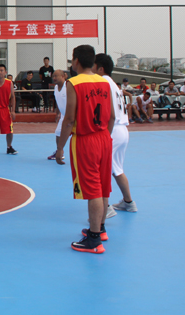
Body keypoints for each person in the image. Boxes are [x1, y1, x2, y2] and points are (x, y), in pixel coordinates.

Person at [55, 45, 114, 254]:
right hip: (104, 137)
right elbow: (112, 116)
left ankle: (94, 240)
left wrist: (60, 147)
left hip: (86, 140)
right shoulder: (104, 81)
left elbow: (69, 119)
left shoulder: (74, 83)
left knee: (92, 189)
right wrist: (105, 137)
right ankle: (101, 229)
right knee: (103, 186)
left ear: (76, 61)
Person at [94, 54, 137, 219]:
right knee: (117, 169)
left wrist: (104, 134)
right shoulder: (113, 84)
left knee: (100, 170)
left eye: (93, 66)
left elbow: (107, 112)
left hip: (112, 130)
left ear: (100, 68)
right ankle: (128, 202)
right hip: (123, 129)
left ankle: (105, 208)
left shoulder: (103, 82)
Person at [48, 70, 68, 161]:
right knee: (58, 133)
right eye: (53, 76)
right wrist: (58, 113)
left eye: (56, 76)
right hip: (63, 115)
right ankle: (60, 152)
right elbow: (58, 101)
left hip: (72, 116)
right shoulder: (56, 87)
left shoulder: (68, 87)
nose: (54, 78)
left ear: (63, 76)